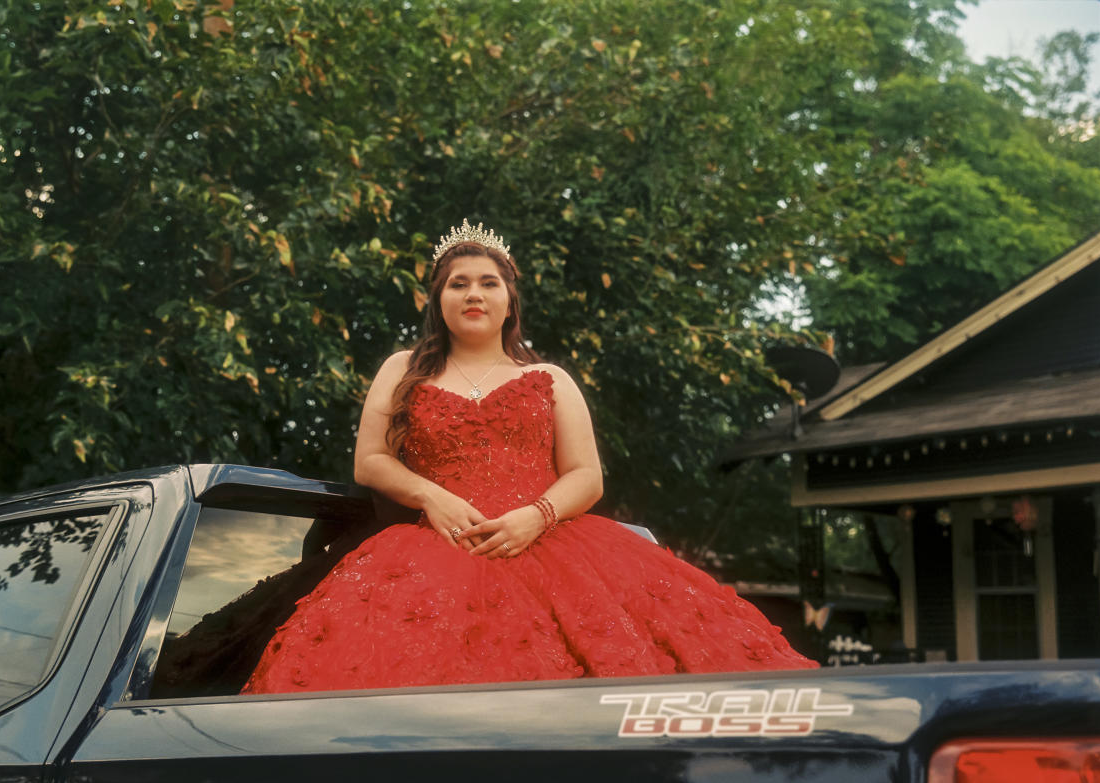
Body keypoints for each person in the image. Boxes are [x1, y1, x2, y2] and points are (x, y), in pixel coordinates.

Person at [242, 220, 816, 694]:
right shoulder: (402, 368)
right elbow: (369, 462)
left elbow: (587, 476)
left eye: (488, 283)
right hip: (435, 547)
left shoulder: (547, 378)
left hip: (552, 544)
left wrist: (535, 515)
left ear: (509, 299)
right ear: (437, 299)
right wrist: (431, 496)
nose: (473, 294)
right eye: (458, 283)